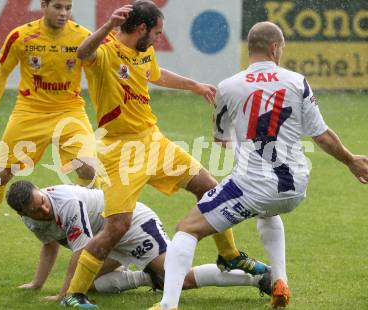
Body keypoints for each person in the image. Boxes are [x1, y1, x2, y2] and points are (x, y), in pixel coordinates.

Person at [62, 1, 268, 307]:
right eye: (157, 32)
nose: (160, 37)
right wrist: (106, 26)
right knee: (117, 226)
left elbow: (155, 74)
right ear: (142, 28)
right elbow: (82, 54)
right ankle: (73, 294)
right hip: (121, 151)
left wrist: (194, 85)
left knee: (211, 189)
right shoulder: (105, 50)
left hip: (154, 142)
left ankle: (229, 256)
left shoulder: (145, 51)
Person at [153, 21, 368, 310]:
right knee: (267, 212)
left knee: (187, 229)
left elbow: (220, 139)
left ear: (250, 49)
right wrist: (351, 160)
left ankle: (167, 305)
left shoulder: (228, 86)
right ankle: (280, 282)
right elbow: (322, 136)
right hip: (294, 187)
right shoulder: (296, 81)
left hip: (253, 186)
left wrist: (244, 143)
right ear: (275, 48)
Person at [0, 0, 99, 256]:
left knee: (91, 170)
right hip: (30, 113)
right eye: (58, 7)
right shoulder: (21, 36)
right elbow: (1, 73)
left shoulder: (83, 37)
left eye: (68, 7)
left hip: (70, 112)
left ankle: (82, 227)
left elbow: (98, 75)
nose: (63, 13)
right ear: (44, 5)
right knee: (1, 175)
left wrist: (105, 112)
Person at [5, 180, 271, 303]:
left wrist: (65, 294)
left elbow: (82, 253)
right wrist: (37, 283)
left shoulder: (67, 204)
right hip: (107, 240)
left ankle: (257, 277)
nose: (44, 212)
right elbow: (49, 245)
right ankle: (147, 276)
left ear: (41, 191)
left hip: (131, 225)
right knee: (94, 285)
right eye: (36, 211)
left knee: (179, 280)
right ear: (22, 214)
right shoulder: (31, 219)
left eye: (42, 203)